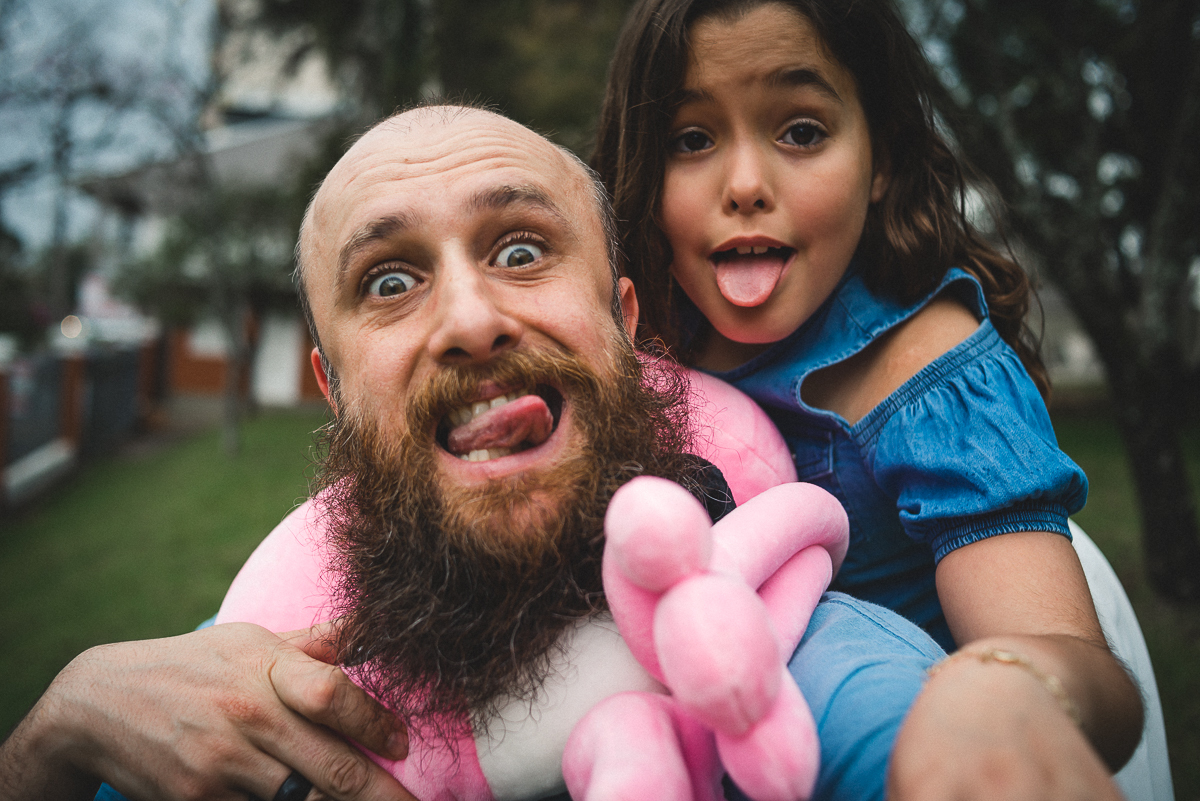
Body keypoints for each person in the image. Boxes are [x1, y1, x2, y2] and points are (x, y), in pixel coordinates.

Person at [1, 105, 951, 801]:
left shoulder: (790, 655)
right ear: (335, 390)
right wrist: (52, 736)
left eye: (522, 251)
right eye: (389, 280)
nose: (469, 319)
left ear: (624, 325)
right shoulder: (239, 685)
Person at [590, 0, 1143, 795]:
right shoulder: (635, 347)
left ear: (880, 156)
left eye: (801, 131)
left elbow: (1095, 677)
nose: (745, 185)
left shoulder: (926, 371)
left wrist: (1005, 684)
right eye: (691, 139)